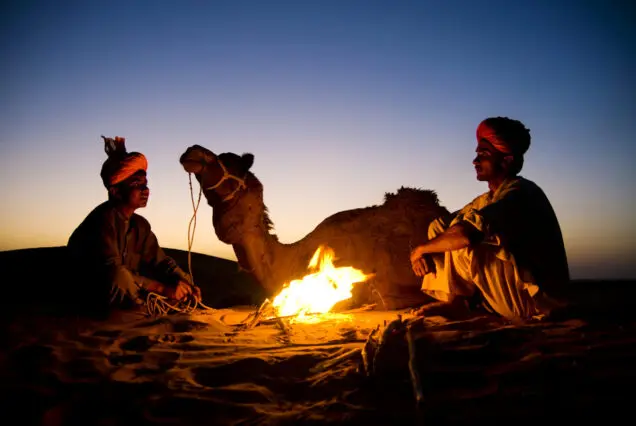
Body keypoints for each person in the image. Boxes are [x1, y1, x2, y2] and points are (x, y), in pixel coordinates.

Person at [410, 117, 569, 320]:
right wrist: (427, 248)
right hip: (507, 297)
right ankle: (455, 302)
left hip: (533, 304)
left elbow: (466, 235)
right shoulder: (487, 199)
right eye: (477, 154)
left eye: (483, 154)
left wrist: (420, 250)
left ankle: (460, 305)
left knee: (463, 235)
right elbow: (443, 226)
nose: (475, 161)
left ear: (507, 160)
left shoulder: (520, 193)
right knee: (440, 227)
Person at [67, 136, 201, 317]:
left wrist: (184, 282)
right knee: (119, 276)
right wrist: (162, 288)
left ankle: (155, 307)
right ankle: (145, 311)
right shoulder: (101, 221)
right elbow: (114, 273)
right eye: (137, 184)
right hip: (93, 295)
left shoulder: (140, 225)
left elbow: (160, 261)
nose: (145, 190)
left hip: (132, 291)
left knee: (182, 281)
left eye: (145, 184)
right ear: (115, 191)